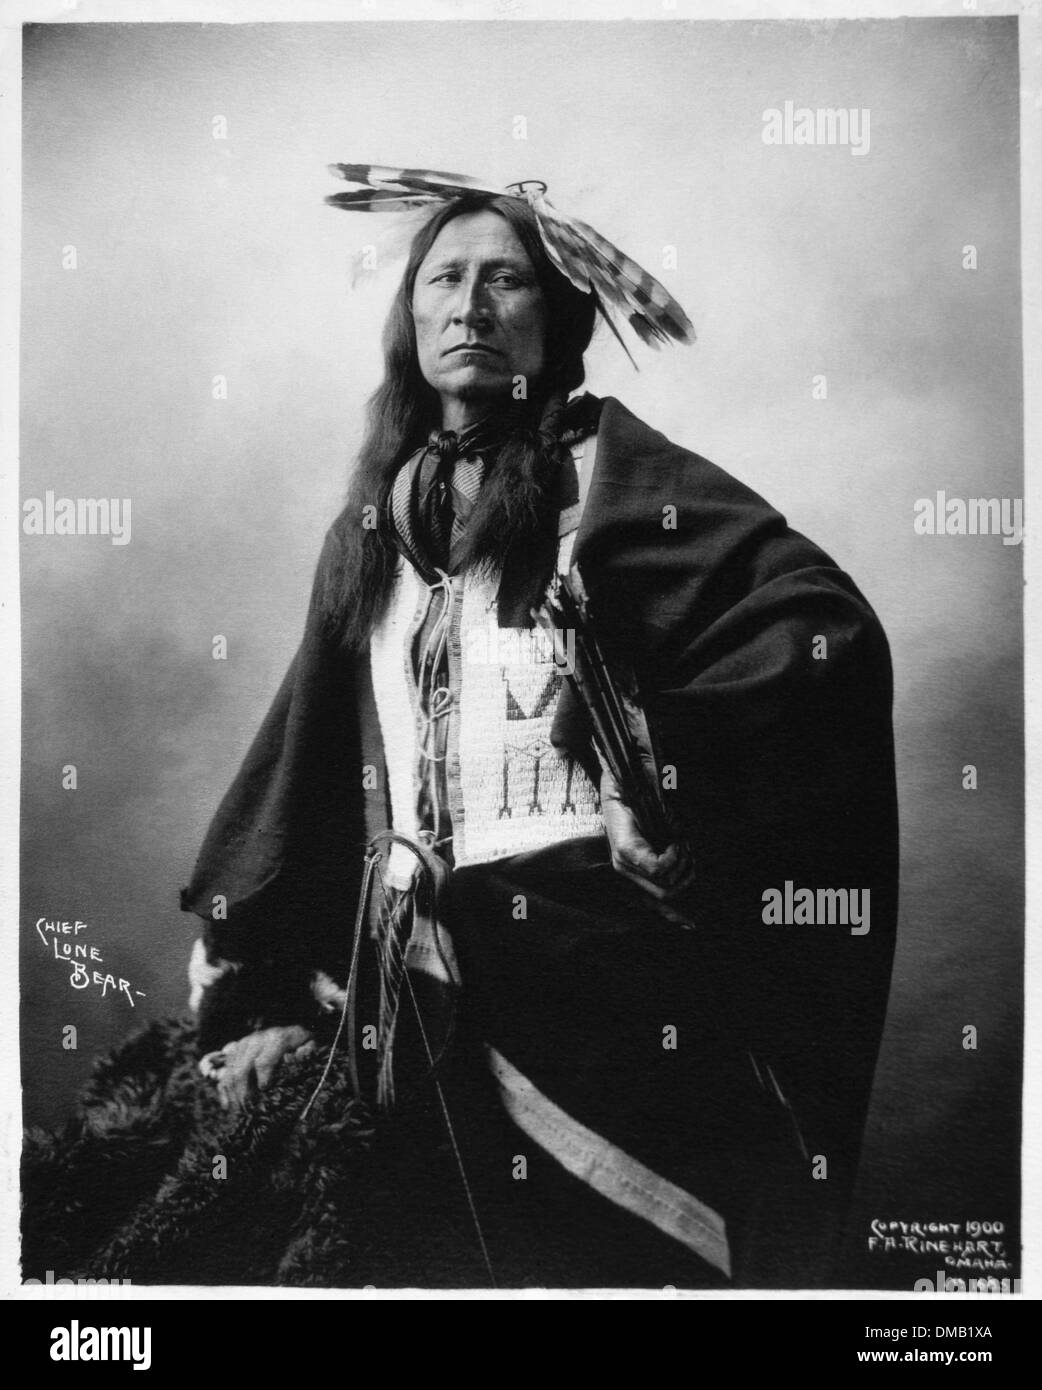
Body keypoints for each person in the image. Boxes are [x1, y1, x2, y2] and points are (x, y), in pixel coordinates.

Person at [23, 178, 898, 1291]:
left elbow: (820, 633)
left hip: (605, 986)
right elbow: (311, 766)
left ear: (558, 317)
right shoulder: (372, 526)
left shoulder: (617, 481)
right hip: (415, 993)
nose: (469, 306)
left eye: (505, 280)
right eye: (444, 278)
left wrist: (661, 769)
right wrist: (279, 965)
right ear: (411, 318)